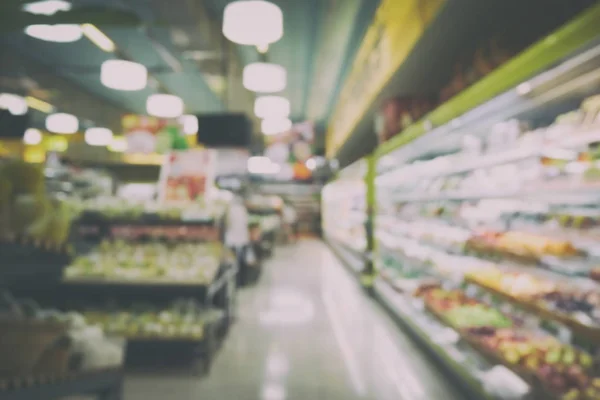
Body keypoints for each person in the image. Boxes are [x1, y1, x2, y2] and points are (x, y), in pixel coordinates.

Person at [225, 191, 251, 285]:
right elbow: (246, 224)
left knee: (233, 264)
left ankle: (236, 282)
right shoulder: (243, 210)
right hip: (243, 239)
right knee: (242, 262)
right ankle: (242, 281)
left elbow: (227, 224)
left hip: (232, 240)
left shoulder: (229, 210)